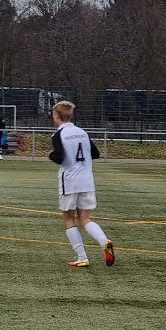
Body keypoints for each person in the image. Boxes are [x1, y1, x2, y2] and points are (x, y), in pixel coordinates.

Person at [49, 100, 114, 268]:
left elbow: (59, 157)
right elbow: (95, 153)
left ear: (56, 115)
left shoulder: (58, 135)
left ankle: (82, 257)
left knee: (69, 220)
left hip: (70, 181)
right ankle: (103, 241)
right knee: (85, 219)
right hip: (87, 180)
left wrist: (51, 155)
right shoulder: (82, 132)